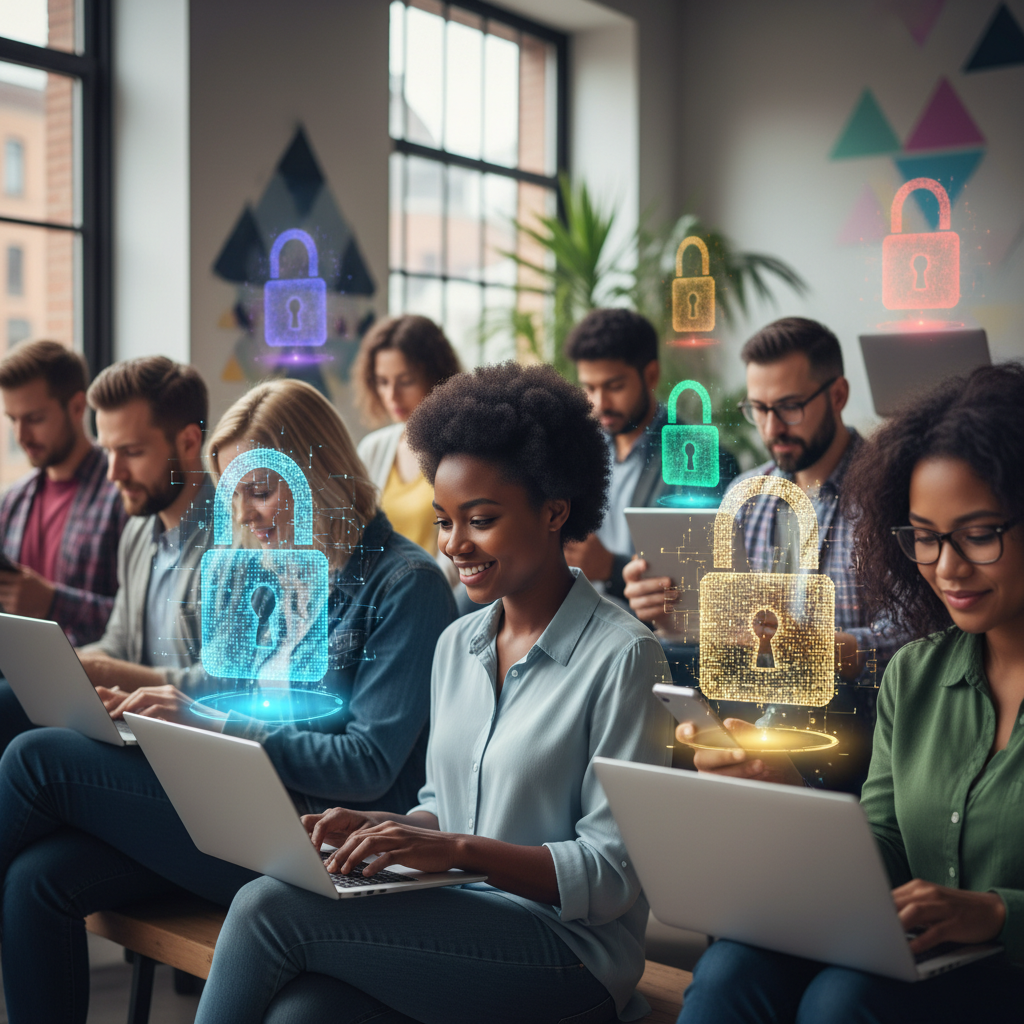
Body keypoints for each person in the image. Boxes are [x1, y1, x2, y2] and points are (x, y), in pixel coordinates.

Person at [189, 362, 673, 1024]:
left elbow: (613, 874)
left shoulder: (626, 658)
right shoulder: (459, 643)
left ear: (556, 511)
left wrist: (455, 851)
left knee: (267, 905)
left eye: (480, 519)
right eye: (444, 521)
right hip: (464, 917)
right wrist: (388, 829)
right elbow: (443, 803)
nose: (454, 546)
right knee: (303, 1013)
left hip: (569, 954)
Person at [0, 376, 455, 1024]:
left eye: (259, 490)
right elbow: (223, 686)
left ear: (318, 475)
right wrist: (144, 696)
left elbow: (367, 767)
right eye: (233, 492)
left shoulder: (407, 585)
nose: (240, 513)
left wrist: (213, 725)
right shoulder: (283, 570)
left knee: (39, 758)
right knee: (36, 880)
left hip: (313, 836)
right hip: (240, 808)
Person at [675, 361, 1024, 1024]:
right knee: (729, 968)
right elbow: (886, 842)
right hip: (918, 951)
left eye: (979, 535)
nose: (947, 567)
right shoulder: (917, 673)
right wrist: (792, 796)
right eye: (924, 538)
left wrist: (997, 911)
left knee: (845, 1002)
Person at [625, 318, 903, 790]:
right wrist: (667, 610)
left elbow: (918, 639)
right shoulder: (745, 496)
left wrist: (827, 648)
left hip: (853, 728)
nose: (772, 427)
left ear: (837, 395)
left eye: (789, 407)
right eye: (758, 408)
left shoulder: (888, 494)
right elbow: (720, 633)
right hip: (751, 711)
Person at [563, 308, 737, 602]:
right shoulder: (580, 449)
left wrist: (611, 568)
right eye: (589, 387)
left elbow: (701, 578)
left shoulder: (696, 456)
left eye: (614, 386)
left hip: (648, 628)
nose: (600, 403)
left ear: (651, 375)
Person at [0, 341, 125, 642]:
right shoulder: (11, 502)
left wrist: (53, 603)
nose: (21, 436)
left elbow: (140, 623)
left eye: (34, 419)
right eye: (13, 420)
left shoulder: (123, 493)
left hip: (87, 677)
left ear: (77, 407)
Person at [354, 314, 461, 565]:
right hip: (383, 595)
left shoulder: (460, 449)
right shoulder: (372, 449)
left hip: (441, 594)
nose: (392, 395)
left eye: (406, 381)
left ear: (437, 377)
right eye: (382, 382)